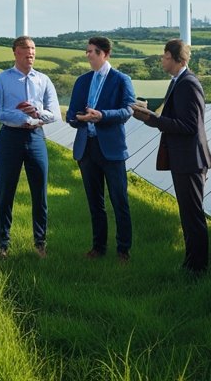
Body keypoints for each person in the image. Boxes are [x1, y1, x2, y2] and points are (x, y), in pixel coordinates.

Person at [132, 38, 211, 275]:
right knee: (187, 215)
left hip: (191, 160)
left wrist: (152, 118)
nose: (162, 60)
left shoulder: (188, 84)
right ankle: (191, 263)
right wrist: (149, 115)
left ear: (177, 59)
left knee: (193, 216)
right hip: (184, 159)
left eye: (165, 56)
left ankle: (198, 268)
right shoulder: (177, 82)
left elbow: (189, 125)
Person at [0, 35, 59, 258]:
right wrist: (20, 115)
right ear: (15, 52)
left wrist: (36, 114)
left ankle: (40, 243)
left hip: (36, 137)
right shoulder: (1, 79)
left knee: (40, 193)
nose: (31, 53)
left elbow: (54, 114)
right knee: (6, 191)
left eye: (34, 49)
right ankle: (3, 245)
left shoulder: (44, 80)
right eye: (26, 49)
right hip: (10, 138)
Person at [66, 36, 136, 261]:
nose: (88, 55)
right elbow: (71, 114)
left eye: (92, 52)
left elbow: (128, 111)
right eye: (87, 51)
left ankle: (123, 250)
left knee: (119, 201)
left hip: (112, 149)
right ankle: (98, 247)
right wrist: (80, 118)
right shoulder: (82, 81)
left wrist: (102, 116)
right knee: (95, 202)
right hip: (87, 148)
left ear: (105, 54)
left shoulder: (121, 80)